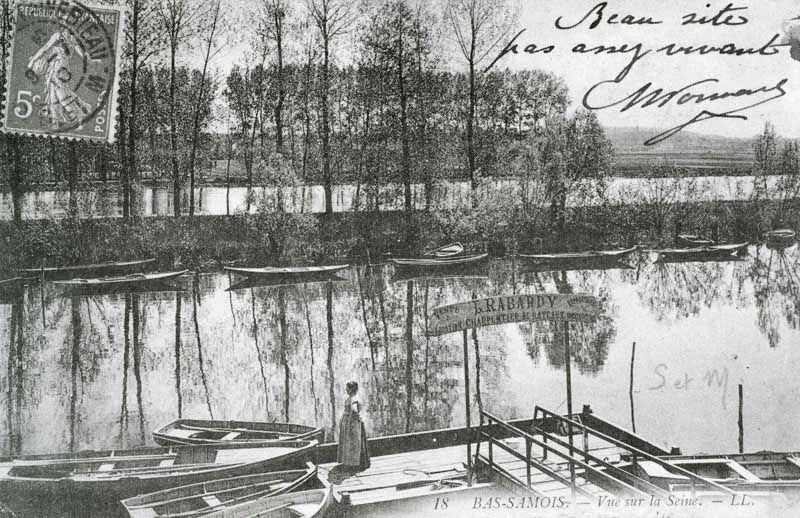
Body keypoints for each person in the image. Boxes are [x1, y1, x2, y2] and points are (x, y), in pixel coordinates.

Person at [337, 381, 370, 470]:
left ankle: (352, 464)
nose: (346, 390)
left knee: (352, 443)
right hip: (352, 422)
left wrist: (349, 422)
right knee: (352, 443)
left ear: (351, 390)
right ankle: (353, 462)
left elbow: (354, 411)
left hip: (352, 423)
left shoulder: (353, 399)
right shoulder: (354, 397)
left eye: (347, 388)